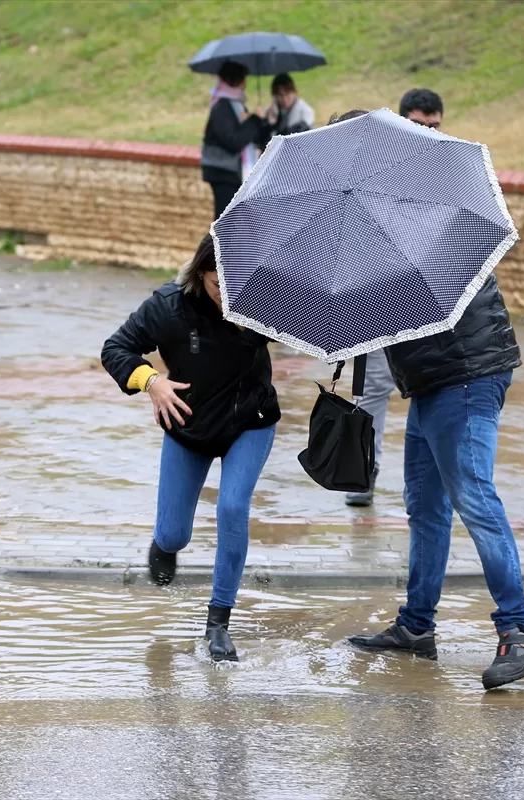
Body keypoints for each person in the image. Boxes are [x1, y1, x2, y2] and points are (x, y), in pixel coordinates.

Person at [334, 108, 524, 690]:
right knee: (424, 506)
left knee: (474, 496)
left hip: (469, 374)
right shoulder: (377, 217)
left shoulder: (424, 204)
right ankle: (416, 626)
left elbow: (413, 289)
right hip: (431, 382)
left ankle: (519, 632)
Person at [101, 234, 280, 663]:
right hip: (188, 426)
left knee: (232, 508)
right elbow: (115, 348)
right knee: (174, 533)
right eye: (221, 286)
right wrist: (151, 382)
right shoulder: (169, 307)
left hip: (249, 423)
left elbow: (316, 323)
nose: (229, 297)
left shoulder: (263, 297)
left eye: (238, 285)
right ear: (201, 274)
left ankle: (218, 623)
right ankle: (164, 545)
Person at [344, 88, 445, 508]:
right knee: (370, 389)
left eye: (435, 126)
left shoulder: (447, 171)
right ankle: (363, 474)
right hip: (376, 294)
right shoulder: (377, 168)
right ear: (401, 121)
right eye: (419, 125)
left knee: (434, 385)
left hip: (427, 296)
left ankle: (433, 482)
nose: (427, 134)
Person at [201, 61, 265, 220]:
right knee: (226, 222)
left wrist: (258, 121)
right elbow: (234, 141)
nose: (245, 85)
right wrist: (255, 119)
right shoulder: (222, 108)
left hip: (232, 172)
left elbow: (249, 135)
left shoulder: (235, 106)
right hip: (223, 173)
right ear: (238, 81)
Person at [258, 72, 316, 148]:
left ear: (295, 92)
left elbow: (291, 137)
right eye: (280, 95)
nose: (284, 99)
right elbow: (263, 143)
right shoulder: (270, 112)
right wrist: (269, 123)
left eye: (288, 94)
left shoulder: (305, 112)